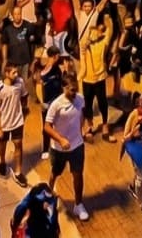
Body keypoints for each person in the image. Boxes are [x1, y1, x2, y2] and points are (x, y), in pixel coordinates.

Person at [43, 76, 88, 221]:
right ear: (64, 88)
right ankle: (49, 197)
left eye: (76, 89)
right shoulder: (56, 105)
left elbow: (81, 114)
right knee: (55, 173)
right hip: (58, 148)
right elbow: (47, 127)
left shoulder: (80, 99)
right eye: (71, 90)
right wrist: (61, 139)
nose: (74, 93)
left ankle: (78, 204)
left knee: (78, 174)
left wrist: (82, 130)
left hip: (77, 145)